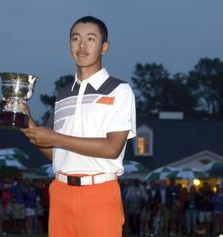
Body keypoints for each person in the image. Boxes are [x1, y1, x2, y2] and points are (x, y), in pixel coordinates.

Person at [21, 15, 136, 237]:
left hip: (99, 193)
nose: (82, 45)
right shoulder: (63, 94)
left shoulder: (119, 90)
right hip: (60, 192)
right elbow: (55, 154)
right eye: (76, 38)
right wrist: (26, 121)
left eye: (90, 39)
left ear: (104, 47)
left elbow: (112, 148)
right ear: (69, 45)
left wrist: (54, 137)